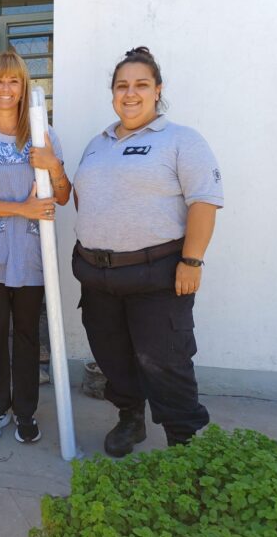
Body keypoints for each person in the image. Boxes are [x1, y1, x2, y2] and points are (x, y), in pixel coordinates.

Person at [72, 46, 224, 457]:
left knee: (166, 363)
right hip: (98, 276)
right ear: (113, 94)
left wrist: (192, 260)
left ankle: (185, 446)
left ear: (157, 90)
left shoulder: (181, 140)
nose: (131, 93)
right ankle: (130, 420)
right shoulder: (96, 143)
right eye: (122, 85)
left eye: (141, 84)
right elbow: (86, 198)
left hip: (157, 275)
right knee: (113, 359)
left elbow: (204, 202)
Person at [0, 50, 71, 443]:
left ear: (23, 89)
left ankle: (25, 411)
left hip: (31, 254)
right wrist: (20, 208)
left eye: (14, 81)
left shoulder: (42, 136)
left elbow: (62, 196)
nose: (6, 89)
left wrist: (53, 165)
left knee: (26, 333)